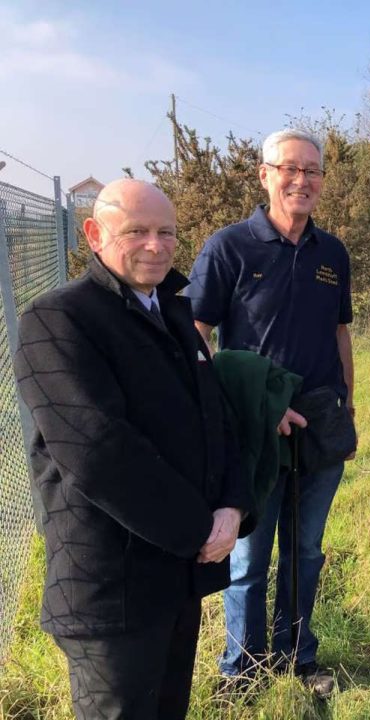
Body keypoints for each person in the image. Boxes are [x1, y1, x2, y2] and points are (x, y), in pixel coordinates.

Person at [13, 179, 251, 719]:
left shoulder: (171, 311)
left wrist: (233, 507)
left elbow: (216, 416)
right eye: (137, 231)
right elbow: (98, 451)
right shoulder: (57, 321)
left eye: (166, 232)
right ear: (95, 235)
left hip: (177, 577)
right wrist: (200, 530)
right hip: (110, 589)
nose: (155, 245)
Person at [186, 128, 354, 697]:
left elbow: (340, 333)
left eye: (312, 170)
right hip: (257, 426)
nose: (301, 180)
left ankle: (297, 658)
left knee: (305, 551)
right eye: (290, 168)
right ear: (265, 174)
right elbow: (194, 338)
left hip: (321, 426)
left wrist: (347, 405)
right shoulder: (229, 246)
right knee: (250, 555)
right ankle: (242, 670)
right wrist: (250, 406)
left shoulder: (333, 254)